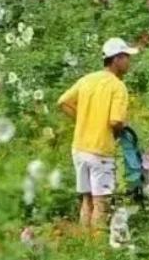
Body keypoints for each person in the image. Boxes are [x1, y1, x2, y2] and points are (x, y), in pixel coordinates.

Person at [58, 38, 136, 228]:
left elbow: (63, 102)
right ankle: (98, 250)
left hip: (79, 149)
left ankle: (85, 245)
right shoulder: (118, 87)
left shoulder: (87, 79)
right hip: (100, 150)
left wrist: (82, 118)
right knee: (101, 204)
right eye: (125, 57)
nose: (128, 61)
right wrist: (117, 134)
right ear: (115, 59)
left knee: (87, 200)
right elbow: (115, 121)